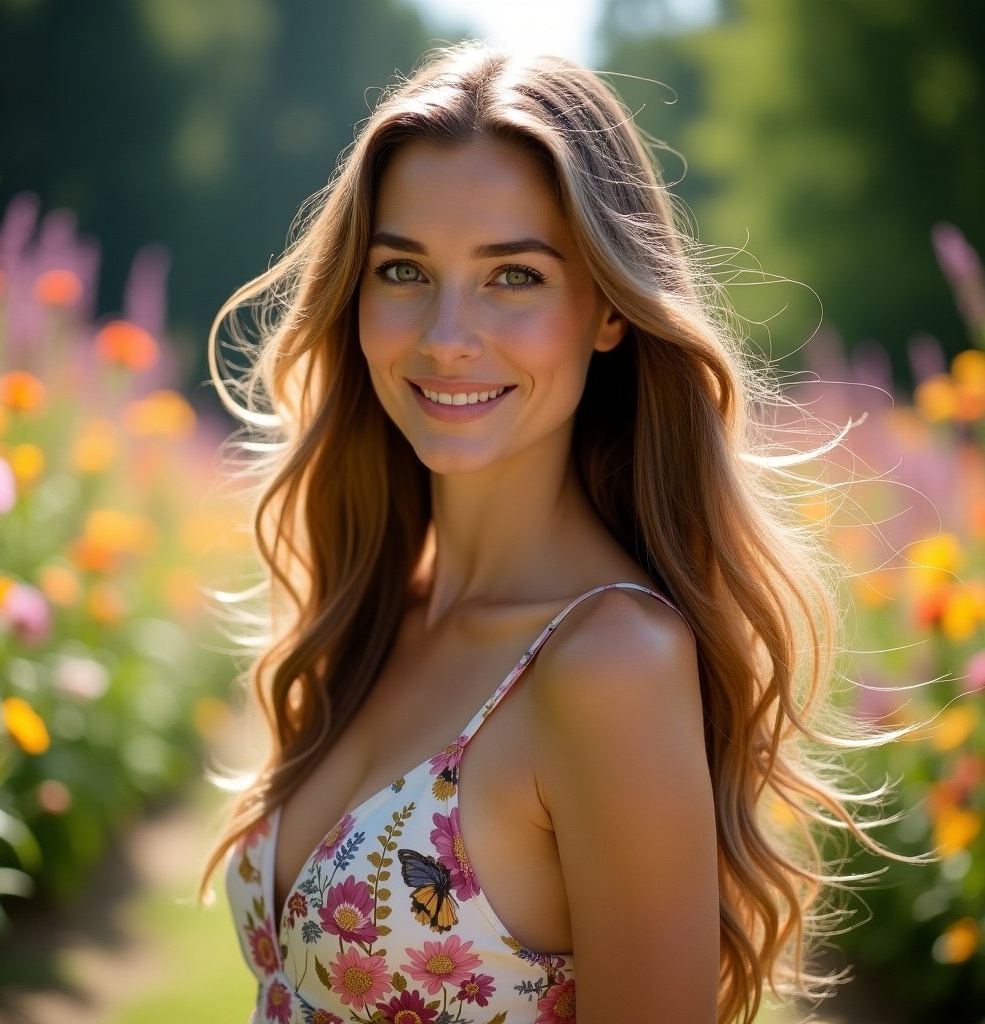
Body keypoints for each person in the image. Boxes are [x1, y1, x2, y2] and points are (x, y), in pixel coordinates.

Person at [203, 42, 875, 1024]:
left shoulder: (611, 665)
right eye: (403, 269)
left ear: (605, 308)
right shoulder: (384, 608)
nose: (444, 334)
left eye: (512, 277)